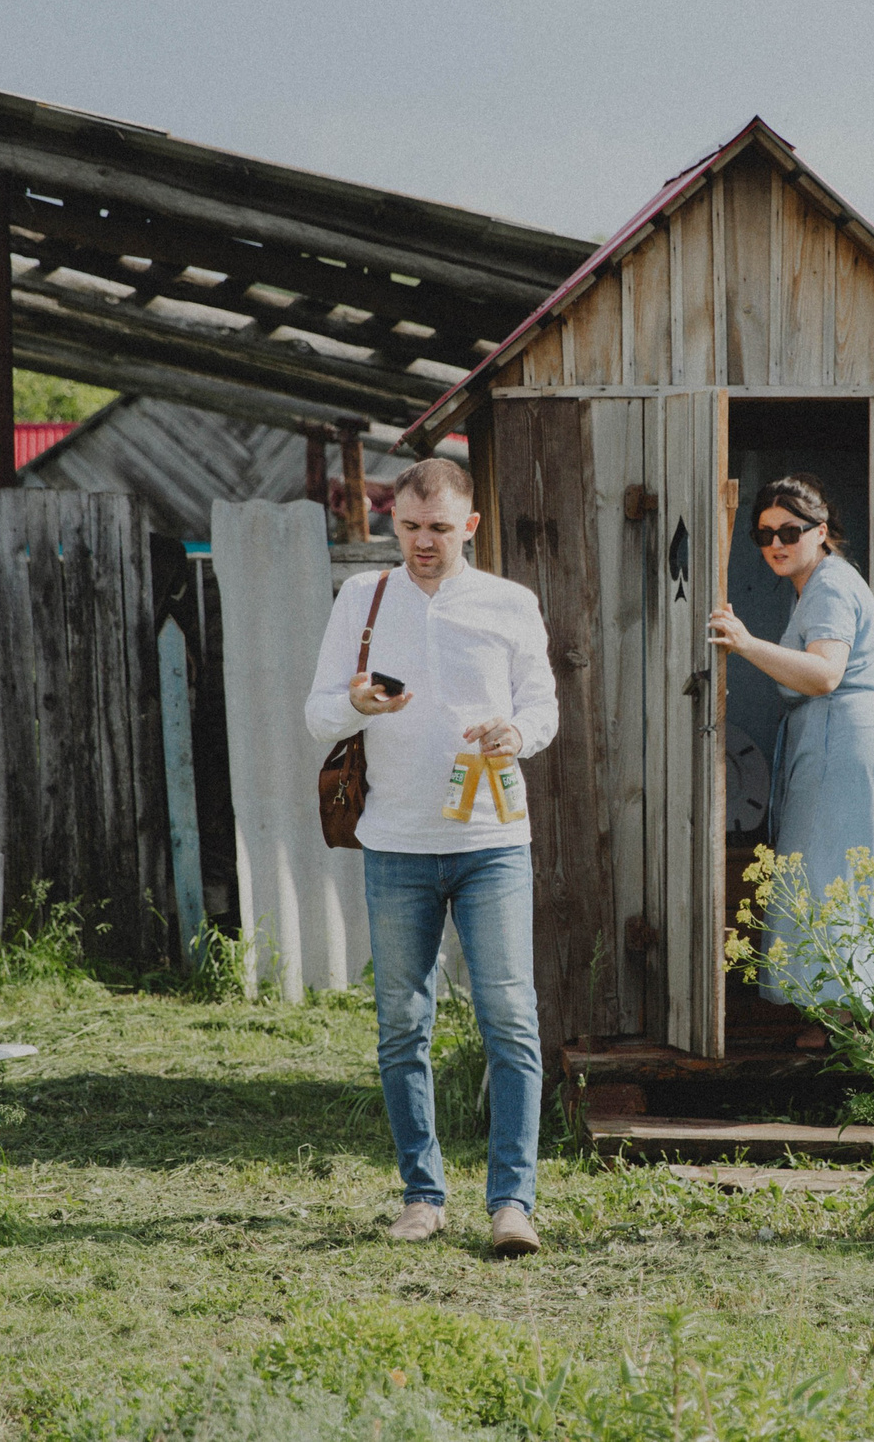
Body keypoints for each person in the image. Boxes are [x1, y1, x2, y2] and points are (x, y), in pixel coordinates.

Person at [303, 457, 557, 1257]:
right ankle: (422, 1194)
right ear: (392, 523)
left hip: (492, 843)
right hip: (397, 843)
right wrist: (356, 702)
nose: (421, 542)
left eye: (438, 528)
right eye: (408, 527)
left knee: (509, 1018)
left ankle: (512, 1202)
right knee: (400, 1022)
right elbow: (316, 715)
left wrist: (519, 734)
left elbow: (542, 703)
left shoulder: (510, 602)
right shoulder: (361, 599)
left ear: (470, 527)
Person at [706, 473, 874, 1006]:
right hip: (842, 744)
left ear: (820, 531)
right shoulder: (818, 586)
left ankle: (842, 1018)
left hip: (847, 746)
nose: (776, 544)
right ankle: (859, 1014)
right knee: (848, 882)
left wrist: (745, 643)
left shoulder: (829, 584)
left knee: (832, 880)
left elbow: (825, 674)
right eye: (764, 534)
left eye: (790, 531)